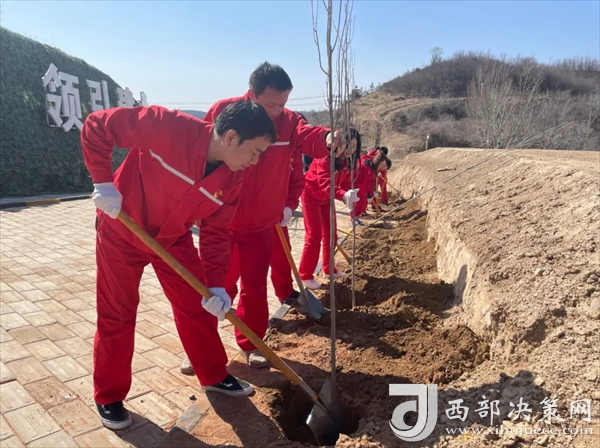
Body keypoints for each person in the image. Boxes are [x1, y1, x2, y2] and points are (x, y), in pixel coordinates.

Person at [81, 100, 277, 430]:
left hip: (171, 239)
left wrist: (215, 283)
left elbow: (216, 232)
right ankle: (109, 395)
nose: (254, 161)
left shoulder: (232, 178)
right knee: (118, 313)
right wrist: (103, 182)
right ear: (231, 137)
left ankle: (213, 375)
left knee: (196, 305)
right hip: (122, 230)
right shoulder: (166, 126)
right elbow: (97, 126)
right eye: (254, 152)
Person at [180, 62, 344, 373]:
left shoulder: (289, 123)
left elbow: (306, 138)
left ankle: (252, 343)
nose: (277, 112)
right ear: (252, 95)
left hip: (261, 225)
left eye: (283, 104)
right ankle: (199, 347)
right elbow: (200, 158)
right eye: (271, 105)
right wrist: (196, 207)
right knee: (215, 287)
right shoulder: (224, 112)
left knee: (254, 288)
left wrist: (326, 139)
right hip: (222, 222)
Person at [298, 128, 361, 290]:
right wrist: (343, 195)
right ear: (341, 143)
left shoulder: (346, 162)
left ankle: (328, 269)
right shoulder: (324, 157)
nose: (350, 150)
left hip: (326, 198)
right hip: (311, 195)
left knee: (331, 234)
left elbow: (344, 181)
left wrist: (350, 192)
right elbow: (325, 184)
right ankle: (305, 275)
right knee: (314, 236)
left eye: (354, 147)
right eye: (348, 145)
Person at [353, 151, 392, 219]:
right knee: (362, 197)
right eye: (382, 165)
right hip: (356, 180)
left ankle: (361, 212)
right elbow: (367, 182)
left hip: (359, 181)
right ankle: (358, 214)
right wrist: (371, 194)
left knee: (363, 197)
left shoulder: (373, 167)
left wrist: (373, 191)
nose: (382, 167)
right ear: (378, 162)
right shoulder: (369, 168)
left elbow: (370, 182)